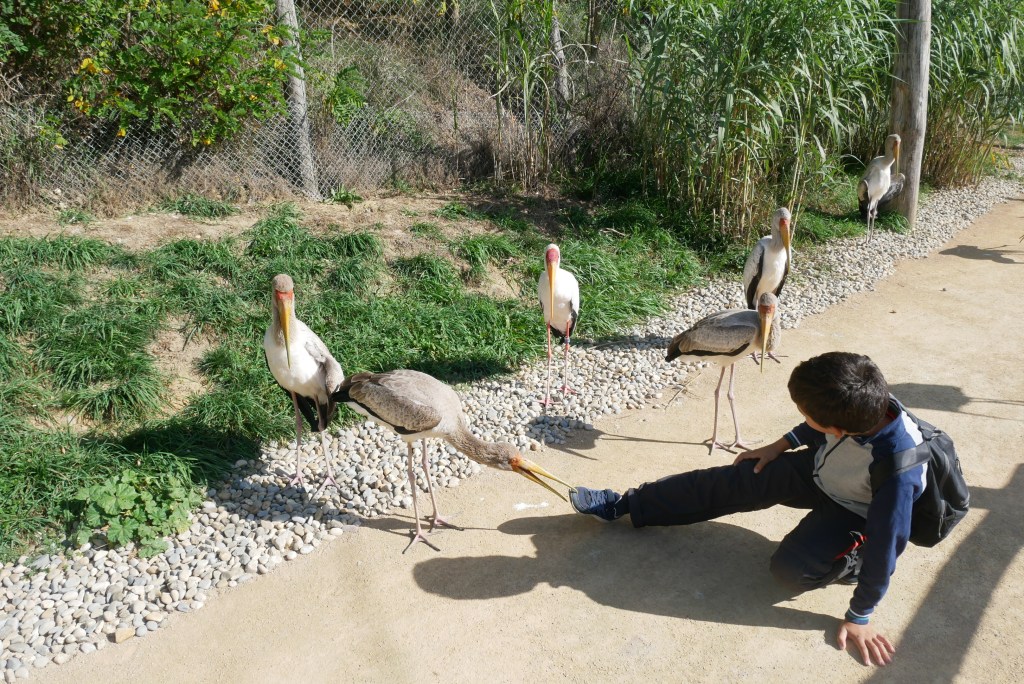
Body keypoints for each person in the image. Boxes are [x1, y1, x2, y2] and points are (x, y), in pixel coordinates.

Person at [570, 351, 929, 667]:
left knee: (790, 572)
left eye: (806, 414)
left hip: (858, 510)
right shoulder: (862, 400)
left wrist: (860, 615)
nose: (803, 417)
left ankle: (852, 559)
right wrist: (779, 445)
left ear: (837, 428)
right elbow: (816, 428)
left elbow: (888, 545)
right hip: (822, 473)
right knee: (737, 478)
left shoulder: (898, 473)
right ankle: (626, 504)